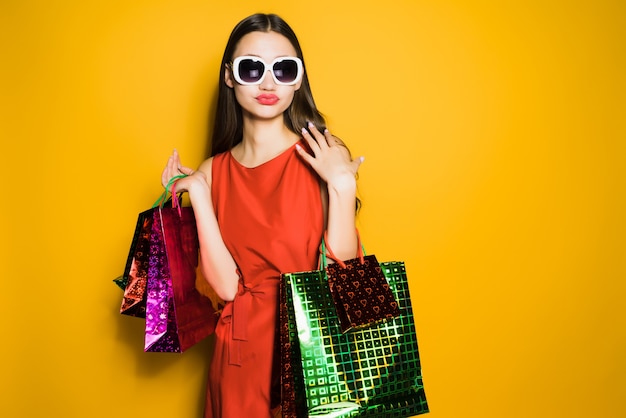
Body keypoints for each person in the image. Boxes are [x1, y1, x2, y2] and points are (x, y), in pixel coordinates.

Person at [161, 13, 364, 417]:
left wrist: (342, 188)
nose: (268, 83)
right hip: (238, 361)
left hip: (314, 354)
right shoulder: (212, 171)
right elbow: (226, 289)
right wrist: (199, 196)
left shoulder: (325, 155)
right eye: (251, 68)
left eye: (283, 69)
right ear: (229, 77)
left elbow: (346, 273)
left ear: (299, 79)